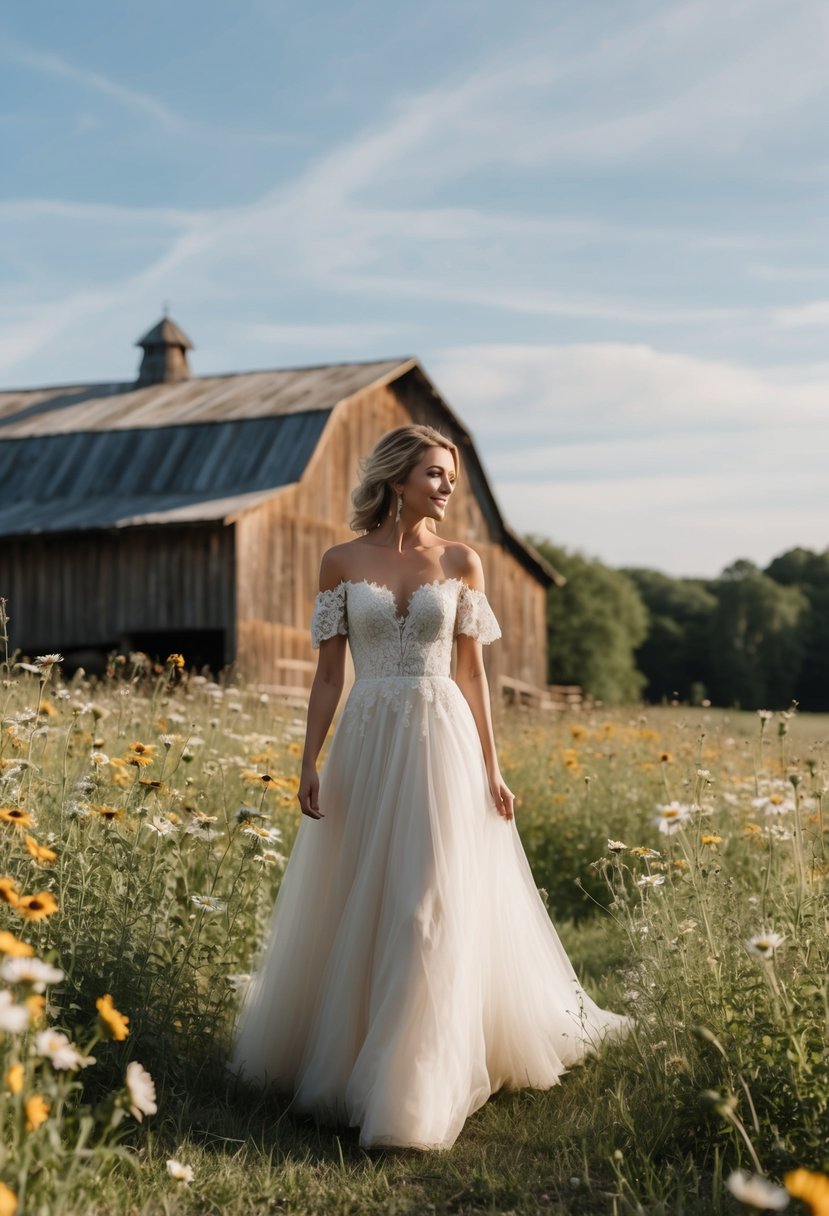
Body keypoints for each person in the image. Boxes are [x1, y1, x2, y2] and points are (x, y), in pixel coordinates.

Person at [228, 423, 628, 1150]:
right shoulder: (340, 561)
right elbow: (326, 674)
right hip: (367, 738)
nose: (446, 486)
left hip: (441, 737)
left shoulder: (463, 560)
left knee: (429, 903)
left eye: (448, 474)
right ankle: (350, 1057)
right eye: (435, 474)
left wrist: (492, 766)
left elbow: (473, 672)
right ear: (396, 479)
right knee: (365, 896)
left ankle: (413, 1086)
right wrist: (307, 761)